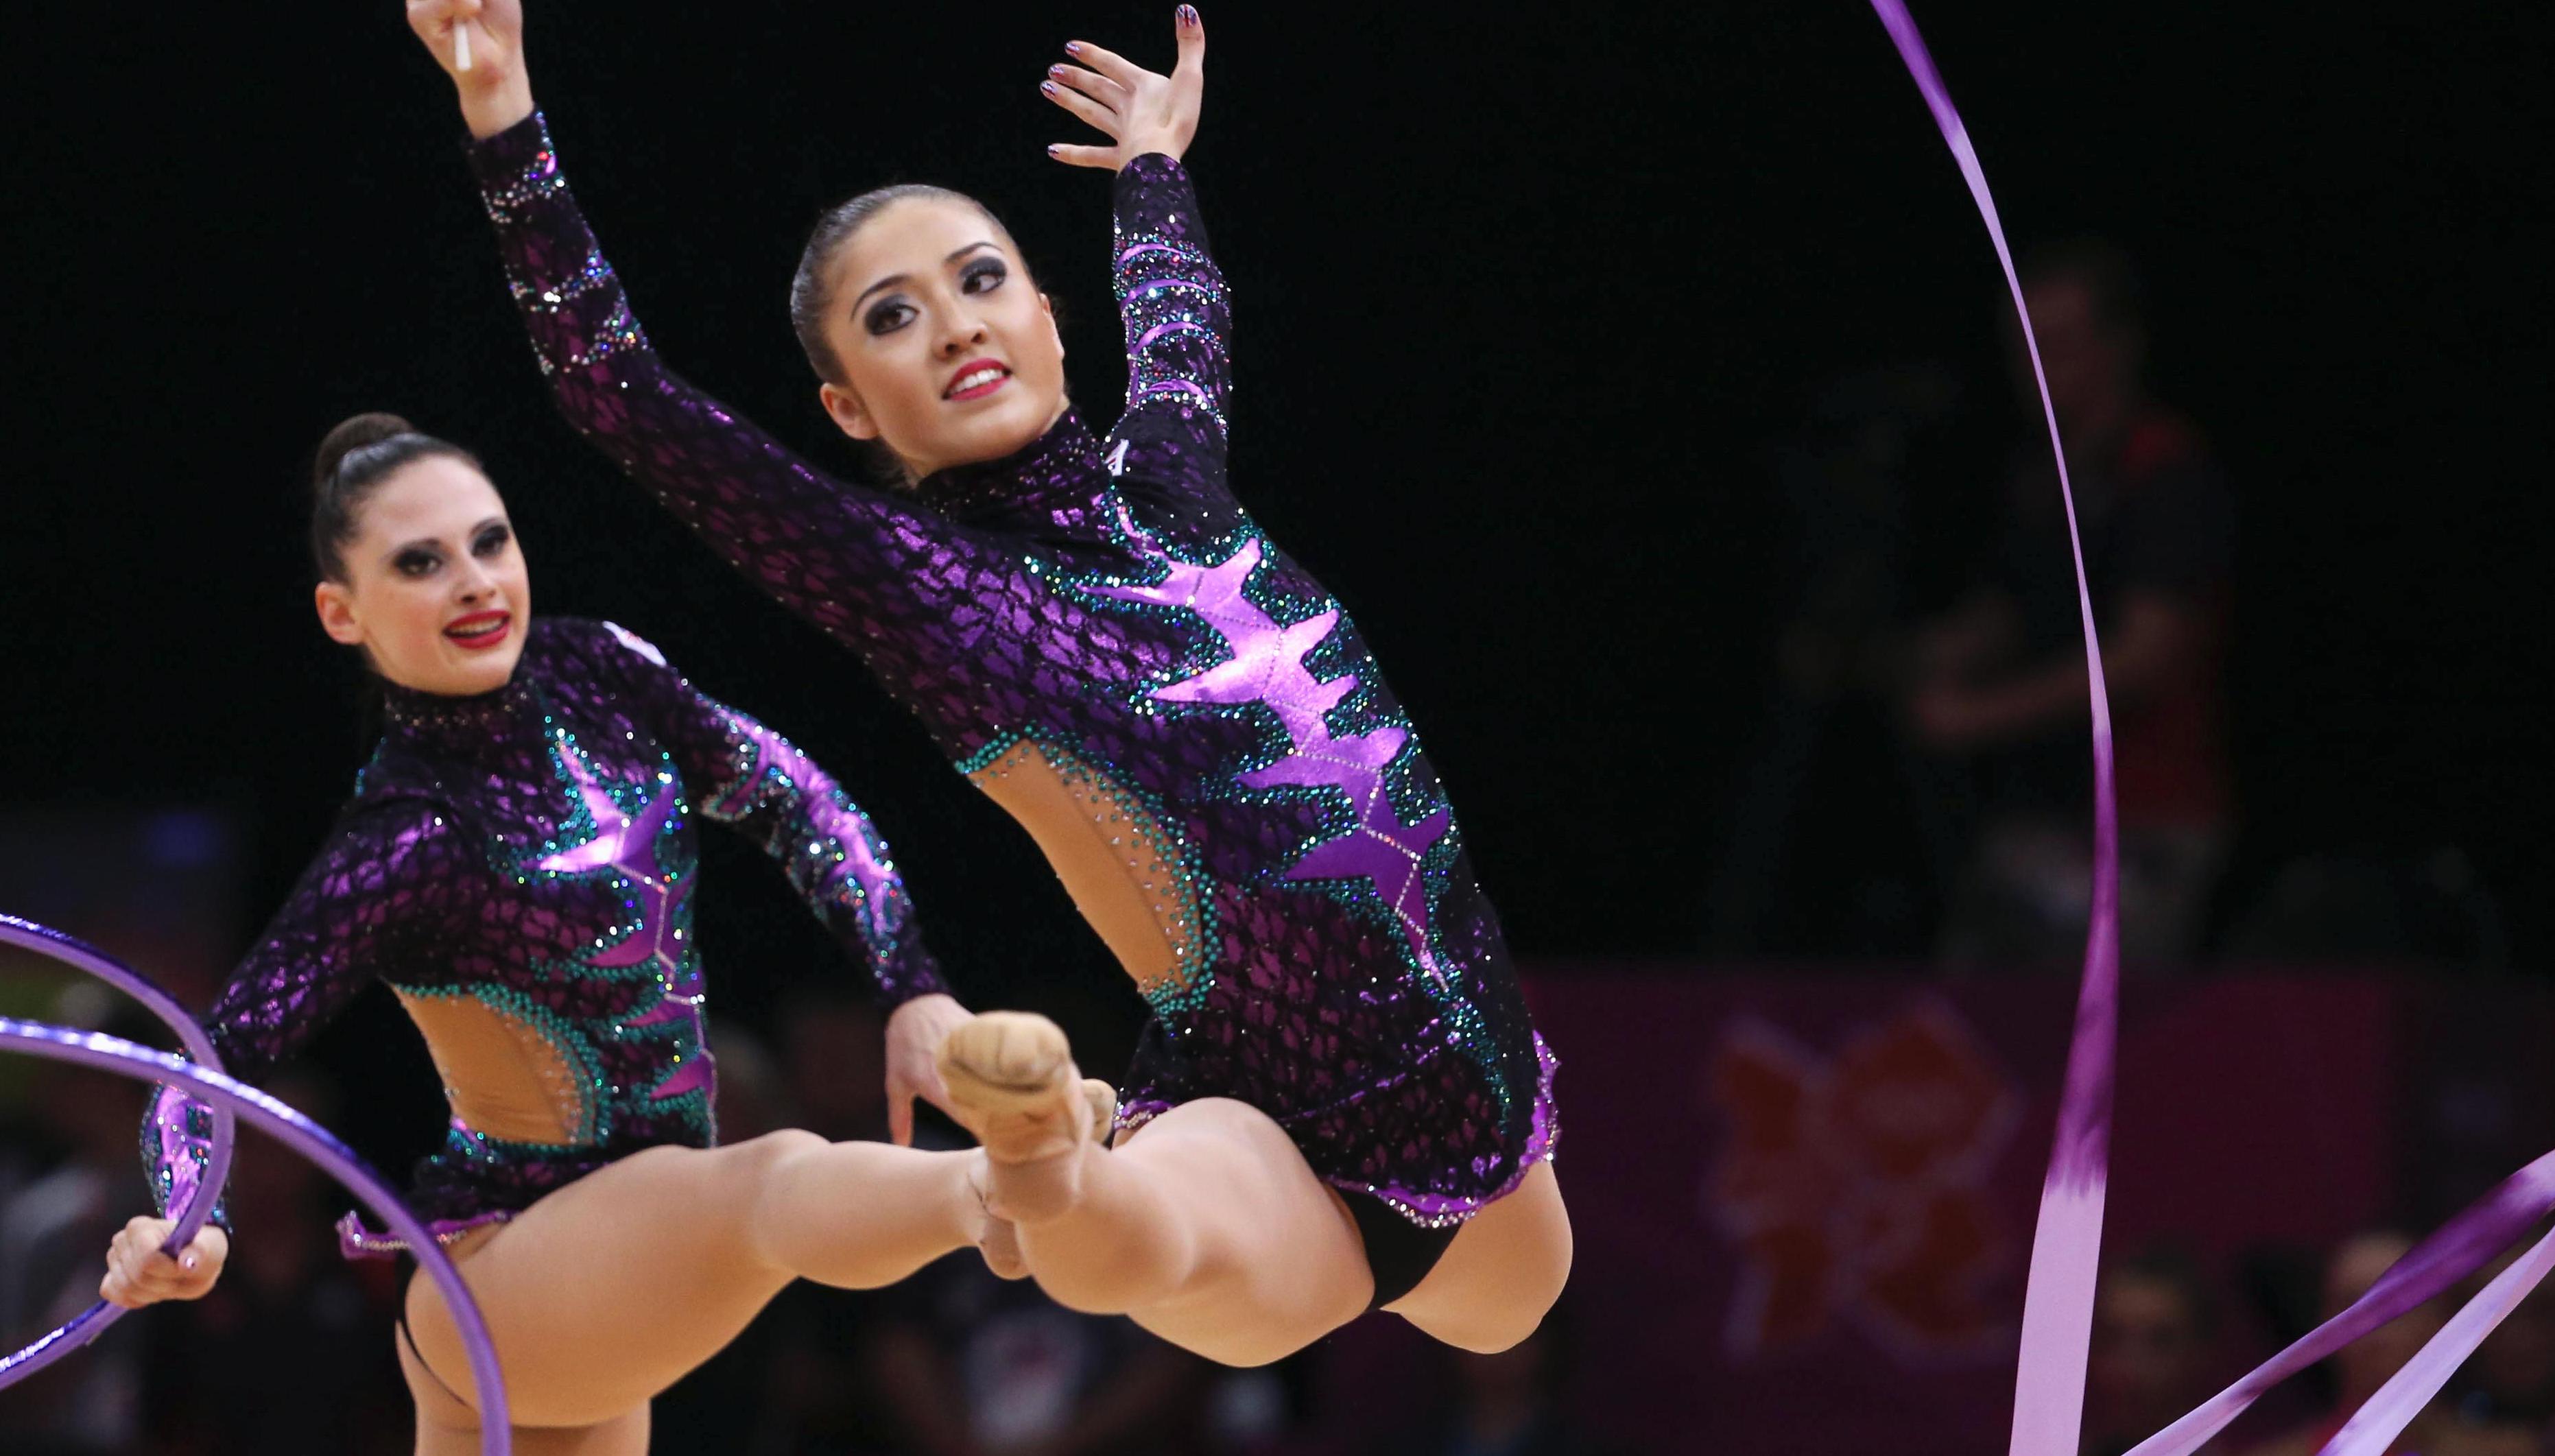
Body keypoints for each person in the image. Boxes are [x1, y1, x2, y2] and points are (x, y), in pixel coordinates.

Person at [404, 0, 1568, 1368]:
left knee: (1517, 1312)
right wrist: (504, 121)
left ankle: (1065, 1174)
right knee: (1162, 1222)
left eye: (978, 279)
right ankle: (1045, 1158)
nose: (952, 324)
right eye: (890, 317)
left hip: (1487, 1112)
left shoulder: (1174, 485)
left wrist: (1149, 160)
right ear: (850, 408)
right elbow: (616, 391)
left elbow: (1180, 305)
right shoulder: (924, 587)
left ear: (1045, 317)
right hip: (1268, 1131)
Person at [99, 413, 1006, 1454]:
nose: (476, 581)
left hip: (618, 1262)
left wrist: (913, 983)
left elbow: (797, 798)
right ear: (342, 614)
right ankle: (1002, 1185)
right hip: (506, 1269)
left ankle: (1004, 1185)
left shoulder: (601, 672)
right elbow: (203, 1066)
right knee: (776, 1179)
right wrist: (186, 1218)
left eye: (491, 541)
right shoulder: (407, 835)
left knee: (755, 1189)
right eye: (421, 563)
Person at [1904, 240, 2236, 965]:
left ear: (2119, 347)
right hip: (2034, 820)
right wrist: (1935, 650)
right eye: (2021, 345)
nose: (2034, 367)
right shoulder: (2038, 478)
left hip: (2145, 826)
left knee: (2100, 1046)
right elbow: (2016, 610)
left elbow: (2142, 657)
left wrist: (1975, 717)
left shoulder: (2163, 469)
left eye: (2057, 343)